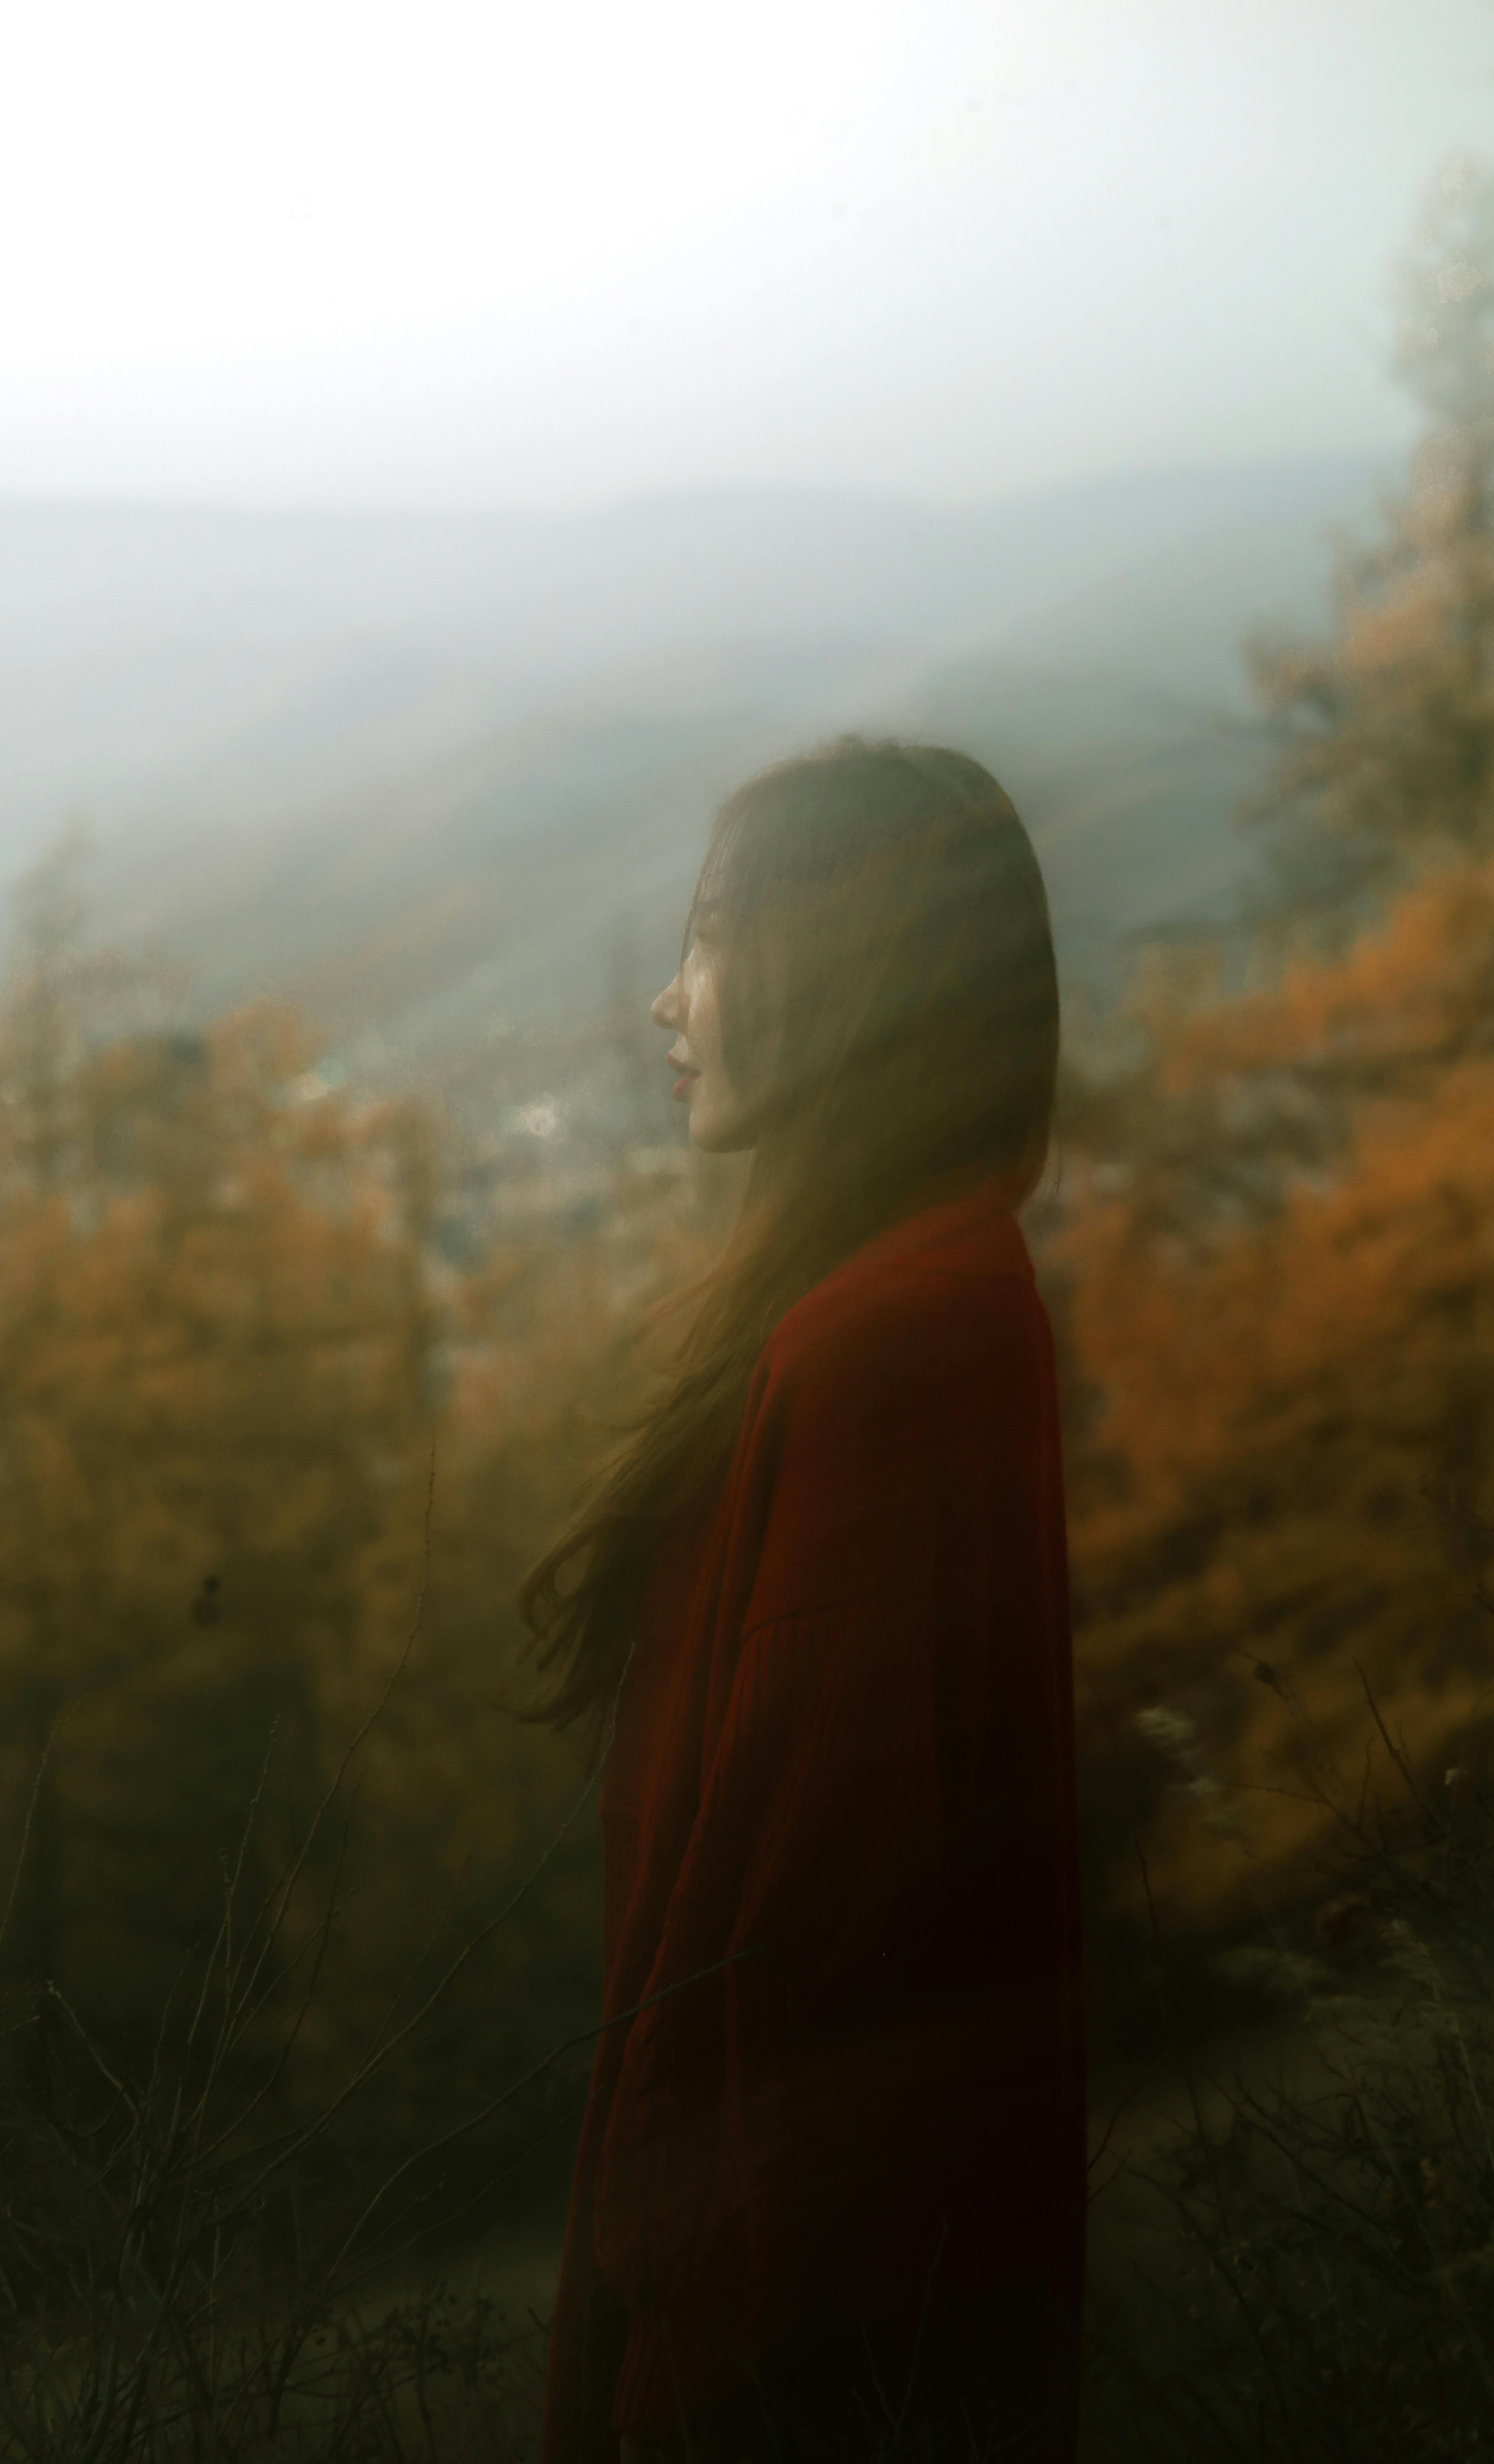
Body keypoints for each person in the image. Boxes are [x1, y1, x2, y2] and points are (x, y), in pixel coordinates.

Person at [516, 738, 1087, 2464]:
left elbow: (793, 1929)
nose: (666, 999)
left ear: (843, 966)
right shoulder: (923, 1289)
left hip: (797, 2349)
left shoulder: (882, 1338)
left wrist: (675, 2366)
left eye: (711, 936)